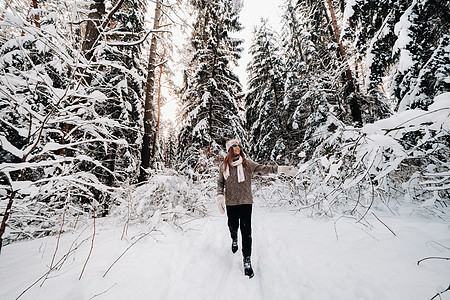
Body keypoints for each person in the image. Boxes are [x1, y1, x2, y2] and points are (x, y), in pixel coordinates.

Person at [216, 139, 297, 278]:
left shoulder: (247, 164)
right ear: (230, 149)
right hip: (231, 203)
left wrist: (281, 170)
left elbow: (263, 168)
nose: (238, 147)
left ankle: (247, 260)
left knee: (246, 231)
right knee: (232, 225)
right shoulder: (224, 167)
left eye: (238, 145)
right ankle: (234, 237)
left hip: (246, 202)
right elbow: (220, 183)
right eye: (234, 146)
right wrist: (219, 197)